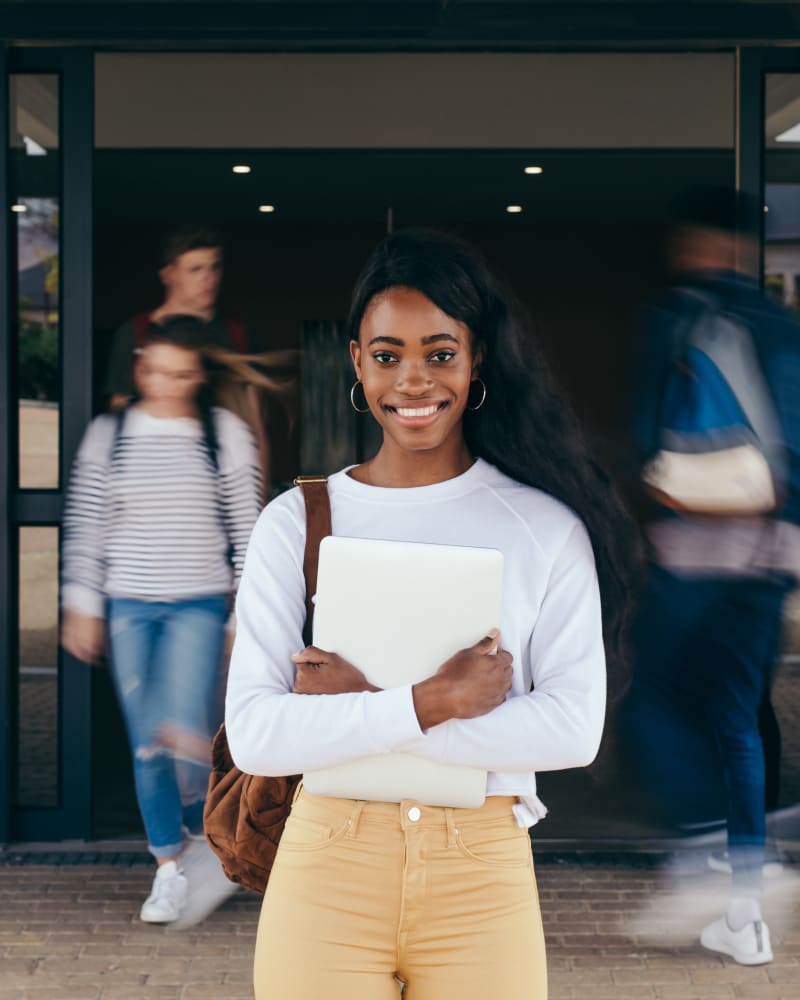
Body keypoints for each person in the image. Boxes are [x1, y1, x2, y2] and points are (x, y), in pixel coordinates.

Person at [225, 229, 635, 999]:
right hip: (327, 868)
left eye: (440, 353)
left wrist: (362, 714)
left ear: (477, 358)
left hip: (480, 875)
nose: (413, 380)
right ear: (357, 362)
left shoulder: (545, 526)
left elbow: (572, 730)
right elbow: (257, 734)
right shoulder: (296, 520)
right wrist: (432, 701)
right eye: (387, 355)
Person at [624, 185, 800, 965]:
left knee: (652, 702)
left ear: (693, 242)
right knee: (736, 712)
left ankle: (701, 854)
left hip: (696, 548)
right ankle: (748, 894)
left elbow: (645, 432)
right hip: (770, 553)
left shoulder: (679, 315)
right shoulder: (781, 324)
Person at [61, 316, 263, 926]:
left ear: (198, 375)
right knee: (148, 740)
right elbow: (86, 521)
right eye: (155, 371)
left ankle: (210, 842)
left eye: (180, 374)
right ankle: (169, 868)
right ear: (141, 367)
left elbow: (248, 526)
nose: (166, 383)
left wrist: (240, 615)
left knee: (179, 726)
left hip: (197, 605)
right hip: (127, 605)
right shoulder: (110, 434)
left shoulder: (221, 433)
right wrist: (81, 603)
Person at [105, 224, 250, 411]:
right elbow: (119, 406)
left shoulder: (238, 332)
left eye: (215, 267)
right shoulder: (136, 331)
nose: (209, 278)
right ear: (168, 275)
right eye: (195, 269)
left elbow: (255, 407)